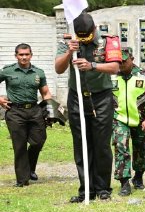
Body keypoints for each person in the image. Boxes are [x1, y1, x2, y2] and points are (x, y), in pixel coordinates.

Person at [55, 12, 121, 202]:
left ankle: (103, 188)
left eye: (87, 34)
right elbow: (58, 69)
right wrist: (69, 52)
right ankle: (86, 190)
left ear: (94, 29)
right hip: (77, 97)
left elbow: (115, 67)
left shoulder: (109, 41)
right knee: (81, 143)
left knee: (101, 144)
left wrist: (92, 65)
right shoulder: (69, 42)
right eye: (80, 35)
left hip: (101, 98)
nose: (84, 38)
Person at [0, 43, 53, 186]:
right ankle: (22, 180)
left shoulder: (38, 72)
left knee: (38, 141)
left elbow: (45, 92)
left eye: (26, 54)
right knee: (20, 145)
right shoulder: (7, 71)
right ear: (16, 55)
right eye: (21, 54)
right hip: (15, 111)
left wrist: (50, 110)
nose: (24, 57)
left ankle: (29, 169)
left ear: (31, 55)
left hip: (35, 111)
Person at [112, 47, 145, 196]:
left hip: (140, 119)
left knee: (141, 148)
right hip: (119, 119)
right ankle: (124, 182)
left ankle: (138, 176)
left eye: (124, 61)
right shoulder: (111, 75)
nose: (121, 64)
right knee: (120, 147)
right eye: (119, 61)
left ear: (132, 59)